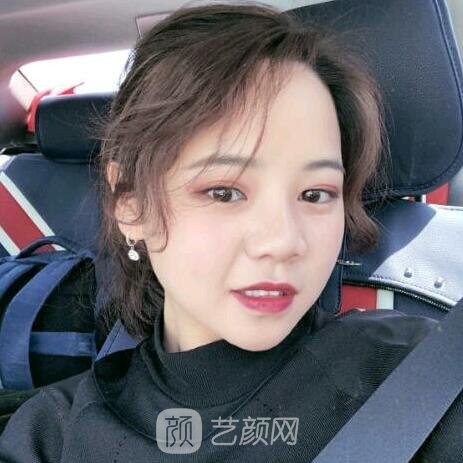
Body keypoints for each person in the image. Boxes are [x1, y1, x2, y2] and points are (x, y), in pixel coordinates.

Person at [0, 2, 461, 462]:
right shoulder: (50, 436)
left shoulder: (422, 372)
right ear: (131, 205)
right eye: (224, 192)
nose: (283, 242)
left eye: (315, 194)